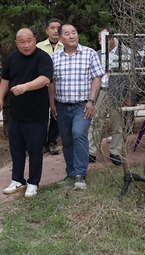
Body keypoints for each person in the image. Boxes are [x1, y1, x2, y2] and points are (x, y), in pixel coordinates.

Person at [0, 28, 53, 197]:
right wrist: (0, 98)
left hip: (36, 115)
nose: (26, 45)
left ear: (35, 40)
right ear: (16, 43)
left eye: (29, 40)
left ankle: (33, 182)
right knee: (16, 149)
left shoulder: (43, 57)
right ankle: (17, 179)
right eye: (22, 42)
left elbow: (45, 79)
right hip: (16, 114)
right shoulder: (12, 58)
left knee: (35, 150)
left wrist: (25, 87)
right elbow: (5, 79)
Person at [49, 24, 104, 190]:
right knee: (66, 140)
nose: (72, 36)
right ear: (60, 39)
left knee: (78, 133)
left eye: (74, 32)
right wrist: (52, 104)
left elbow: (97, 78)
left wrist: (91, 101)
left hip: (83, 105)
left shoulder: (89, 53)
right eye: (67, 34)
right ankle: (71, 172)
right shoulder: (55, 57)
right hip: (62, 106)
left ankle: (80, 174)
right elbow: (51, 82)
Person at [87, 28, 125, 166]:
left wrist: (129, 96)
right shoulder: (96, 54)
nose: (99, 42)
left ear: (112, 39)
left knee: (118, 124)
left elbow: (132, 77)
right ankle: (90, 152)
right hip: (102, 92)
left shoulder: (125, 53)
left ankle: (115, 152)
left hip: (118, 93)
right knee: (95, 122)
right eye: (98, 39)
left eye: (101, 39)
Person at [36, 18, 64, 156]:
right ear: (47, 30)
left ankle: (52, 141)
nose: (55, 30)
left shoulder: (66, 46)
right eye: (52, 28)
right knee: (41, 114)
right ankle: (41, 143)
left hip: (60, 87)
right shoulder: (39, 46)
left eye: (58, 28)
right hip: (42, 87)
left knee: (56, 114)